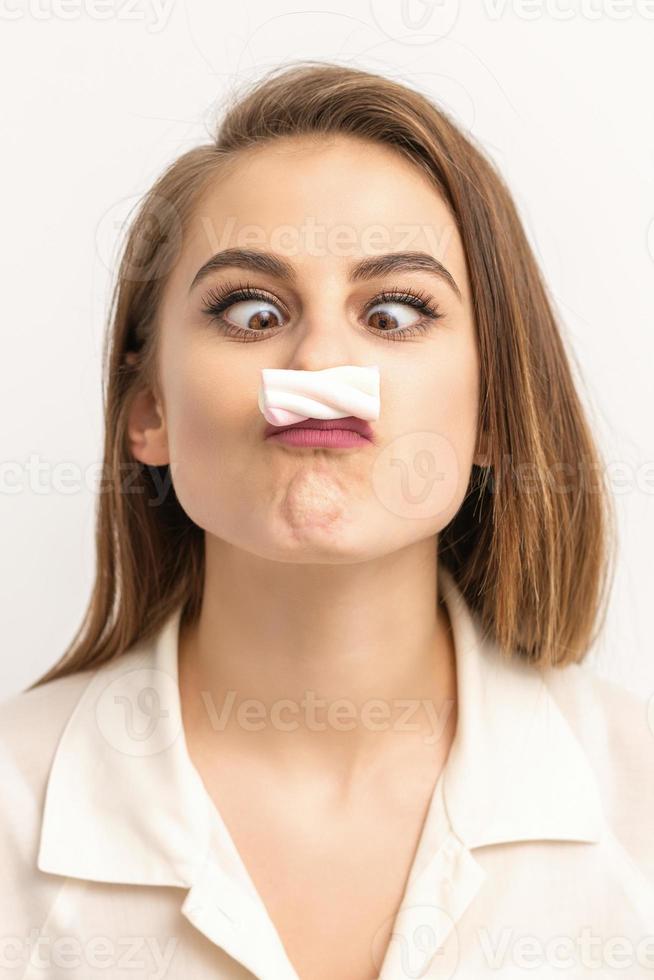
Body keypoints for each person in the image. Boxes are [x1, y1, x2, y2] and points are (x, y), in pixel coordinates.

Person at [1, 60, 652, 980]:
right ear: (148, 410)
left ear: (496, 408)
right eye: (253, 310)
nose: (317, 363)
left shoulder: (641, 815)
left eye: (393, 313)